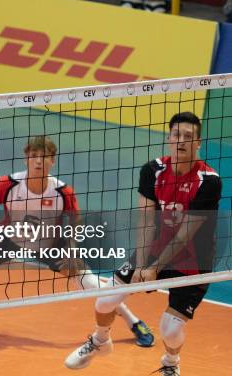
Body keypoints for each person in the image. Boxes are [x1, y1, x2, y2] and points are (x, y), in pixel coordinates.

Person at [65, 112, 222, 375]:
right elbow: (147, 220)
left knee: (170, 329)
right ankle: (100, 341)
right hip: (155, 248)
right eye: (176, 135)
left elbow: (186, 232)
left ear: (198, 143)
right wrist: (141, 262)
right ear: (169, 138)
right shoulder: (153, 171)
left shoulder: (209, 181)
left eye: (188, 136)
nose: (180, 141)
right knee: (104, 302)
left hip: (193, 260)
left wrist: (155, 267)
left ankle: (171, 365)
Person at [0, 135, 154, 347]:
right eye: (34, 156)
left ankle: (134, 322)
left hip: (49, 246)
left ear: (53, 161)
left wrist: (71, 250)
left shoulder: (62, 191)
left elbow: (76, 221)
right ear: (26, 159)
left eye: (45, 156)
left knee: (90, 284)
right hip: (10, 239)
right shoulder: (8, 184)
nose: (39, 161)